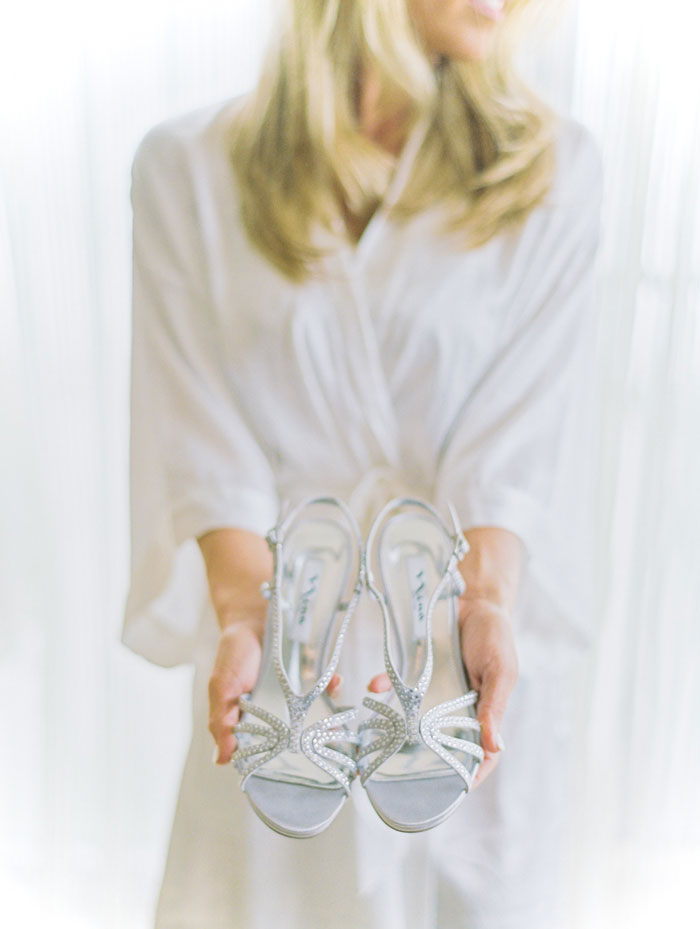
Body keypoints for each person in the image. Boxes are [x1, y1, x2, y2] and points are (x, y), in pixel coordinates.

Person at [123, 0, 603, 926]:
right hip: (282, 672)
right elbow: (201, 443)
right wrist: (244, 616)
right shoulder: (183, 171)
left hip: (455, 665)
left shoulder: (554, 171)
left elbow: (516, 450)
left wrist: (486, 603)